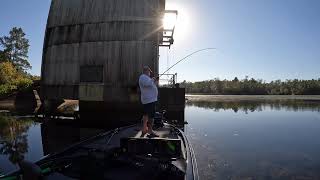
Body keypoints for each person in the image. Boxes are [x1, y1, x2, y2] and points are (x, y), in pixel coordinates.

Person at [138, 66, 159, 137]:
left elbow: (150, 85)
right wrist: (153, 79)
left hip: (149, 100)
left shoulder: (146, 78)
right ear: (147, 71)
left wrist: (154, 80)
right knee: (151, 116)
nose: (150, 73)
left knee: (146, 115)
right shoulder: (143, 77)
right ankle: (150, 130)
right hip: (149, 100)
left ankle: (144, 129)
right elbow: (147, 84)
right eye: (149, 72)